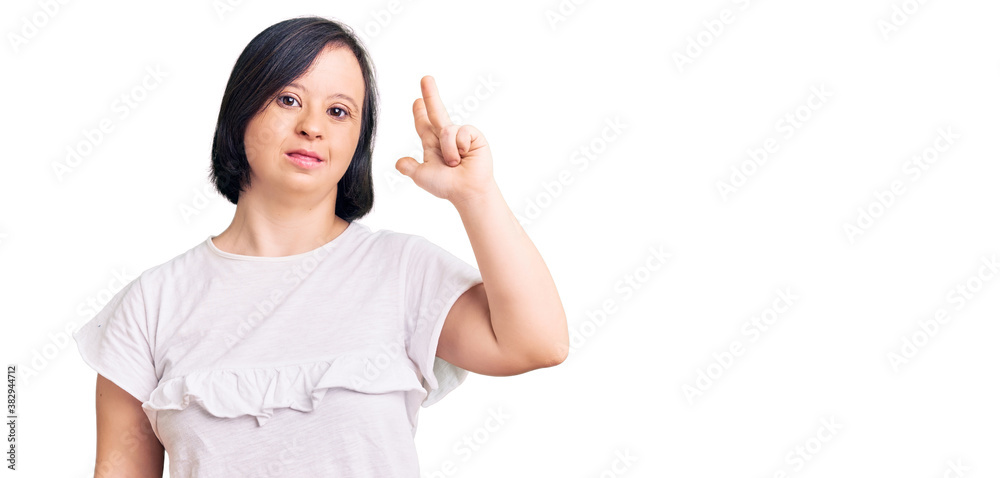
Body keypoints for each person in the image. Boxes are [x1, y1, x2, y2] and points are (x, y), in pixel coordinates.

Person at [72, 15, 569, 477]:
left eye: (338, 111)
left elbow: (538, 343)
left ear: (358, 141)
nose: (313, 126)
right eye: (289, 99)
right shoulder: (149, 304)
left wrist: (475, 196)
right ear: (241, 111)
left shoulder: (401, 270)